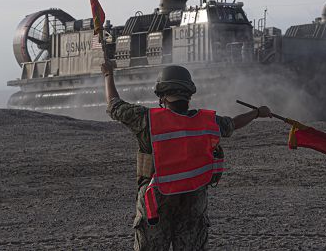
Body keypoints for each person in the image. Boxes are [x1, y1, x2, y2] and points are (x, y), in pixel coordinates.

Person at [101, 61, 272, 251]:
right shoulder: (207, 121)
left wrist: (108, 75)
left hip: (155, 200)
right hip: (193, 198)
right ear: (190, 93)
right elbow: (233, 124)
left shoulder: (146, 119)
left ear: (161, 94)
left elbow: (114, 106)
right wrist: (256, 113)